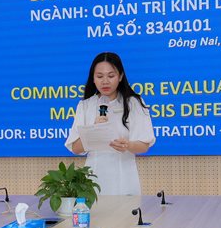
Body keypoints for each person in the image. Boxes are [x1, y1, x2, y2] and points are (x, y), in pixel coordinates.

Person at [65, 52, 156, 196]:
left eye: (111, 76)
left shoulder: (134, 103)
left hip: (125, 179)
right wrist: (92, 131)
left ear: (120, 76)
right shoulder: (85, 105)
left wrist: (127, 145)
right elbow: (75, 148)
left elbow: (144, 145)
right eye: (100, 76)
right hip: (93, 180)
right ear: (93, 78)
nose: (105, 81)